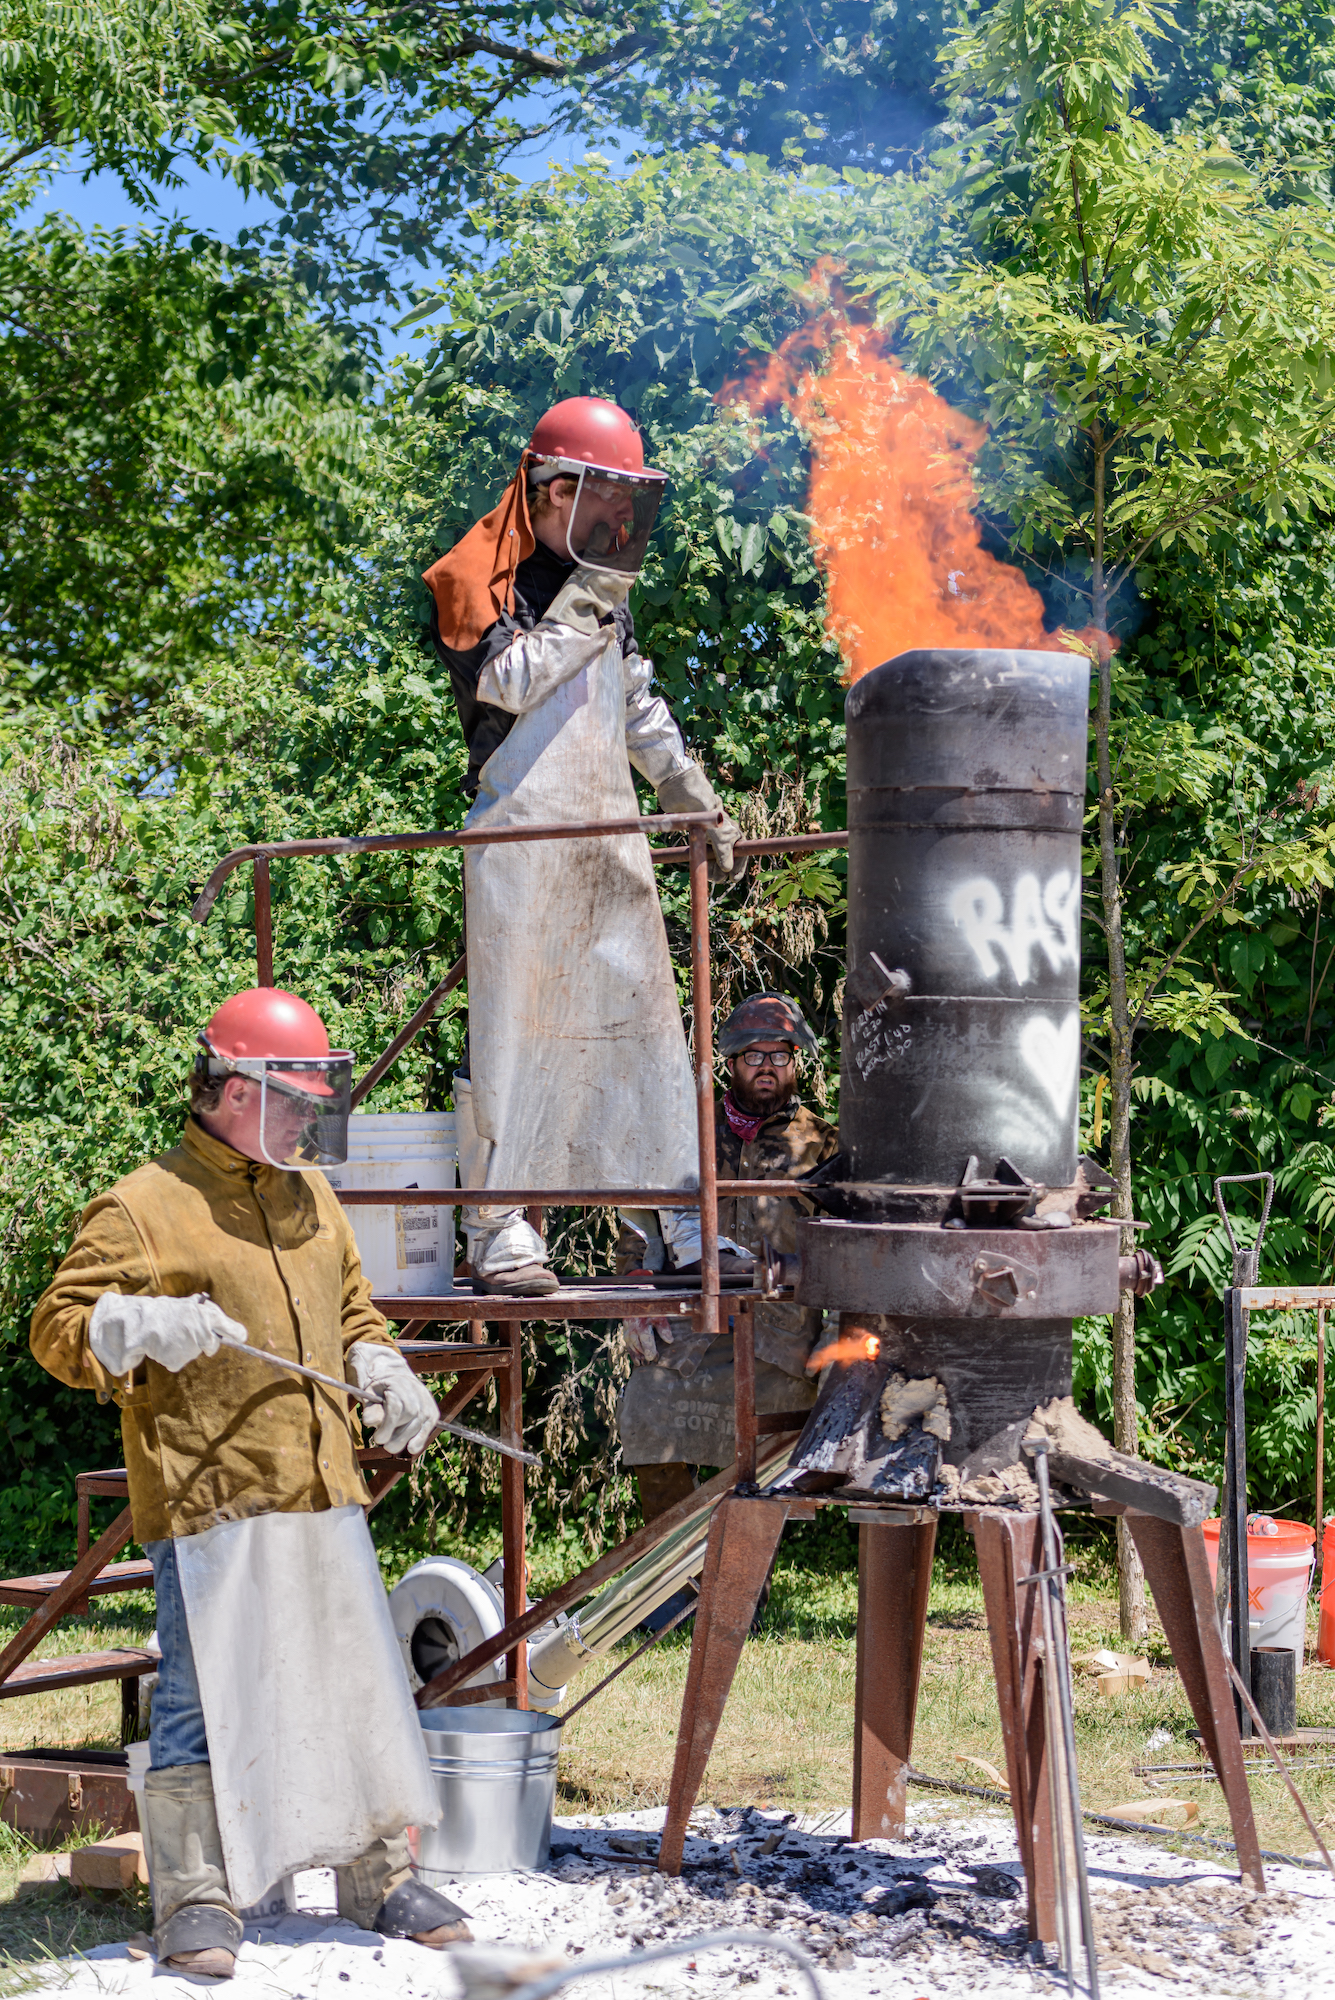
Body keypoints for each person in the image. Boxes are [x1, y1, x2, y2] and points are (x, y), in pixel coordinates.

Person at [31, 988, 468, 1979]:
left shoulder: (307, 1190)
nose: (313, 1115)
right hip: (209, 1496)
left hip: (321, 1484)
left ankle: (378, 1880)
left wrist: (380, 1362)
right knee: (194, 1700)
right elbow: (56, 1326)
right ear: (236, 1086)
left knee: (357, 1686)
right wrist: (127, 1324)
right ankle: (194, 1895)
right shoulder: (144, 1203)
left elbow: (354, 1306)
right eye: (299, 1095)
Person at [424, 395, 747, 1297]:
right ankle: (500, 1232)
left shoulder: (599, 594)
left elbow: (639, 711)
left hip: (609, 839)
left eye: (626, 505)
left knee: (643, 1028)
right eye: (602, 500)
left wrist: (696, 805)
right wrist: (587, 600)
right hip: (523, 839)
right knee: (512, 1033)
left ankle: (684, 1224)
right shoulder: (479, 576)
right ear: (551, 488)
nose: (616, 521)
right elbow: (512, 681)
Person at [616, 991, 839, 1535]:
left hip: (782, 1344)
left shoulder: (823, 1146)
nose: (767, 1068)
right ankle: (671, 1576)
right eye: (753, 1056)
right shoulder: (687, 1133)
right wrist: (635, 1292)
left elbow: (847, 1247)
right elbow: (637, 1227)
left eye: (779, 1056)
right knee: (648, 1405)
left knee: (767, 1458)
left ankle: (737, 1577)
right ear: (732, 1063)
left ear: (795, 1062)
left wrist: (834, 1338)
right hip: (699, 1333)